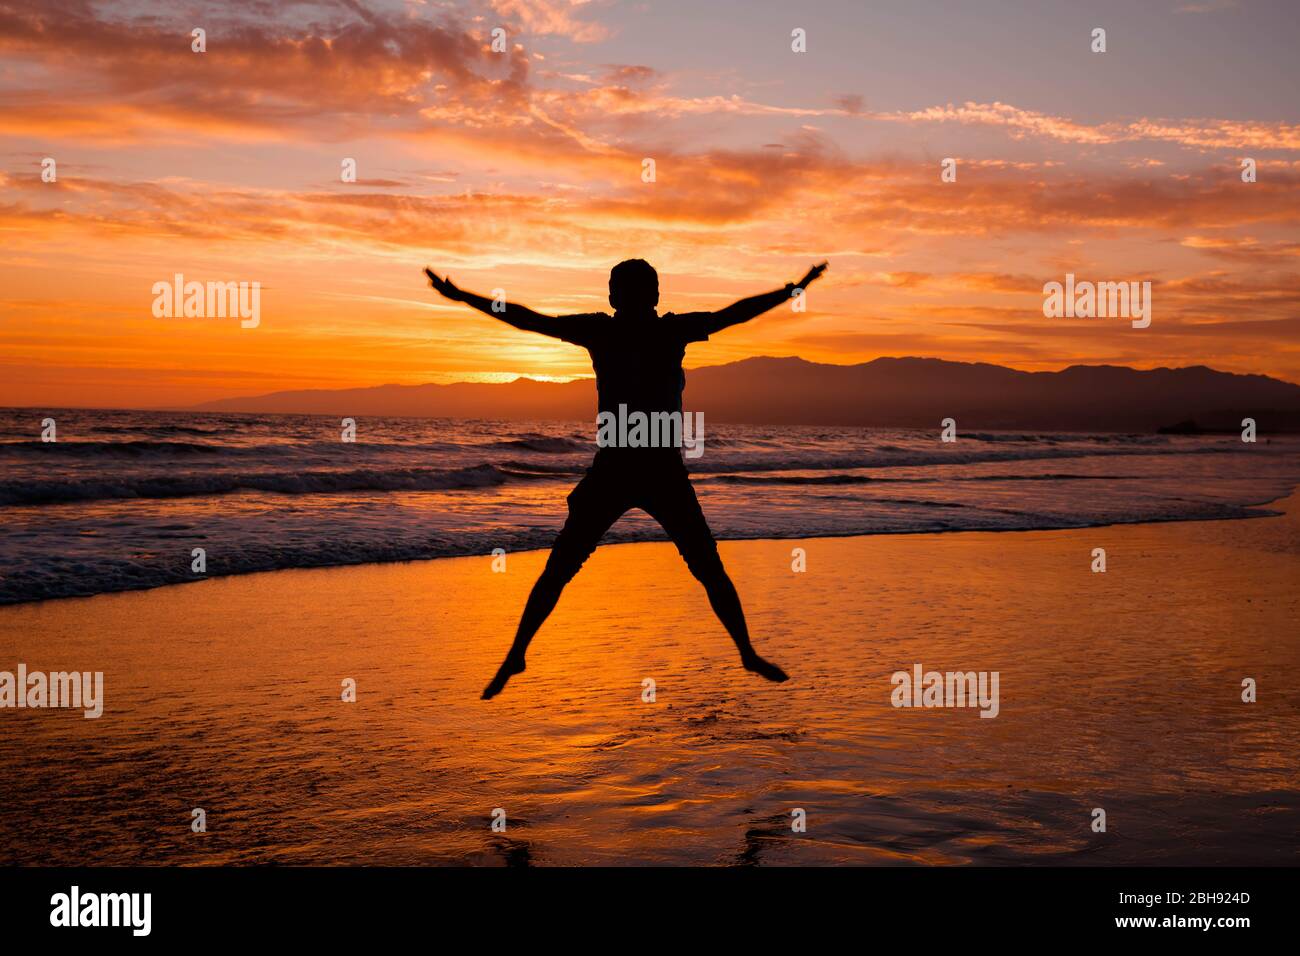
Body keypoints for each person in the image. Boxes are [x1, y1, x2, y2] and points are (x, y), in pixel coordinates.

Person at [425, 258, 828, 699]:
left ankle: (518, 652)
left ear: (618, 296)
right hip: (644, 470)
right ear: (651, 296)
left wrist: (463, 296)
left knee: (565, 568)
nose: (632, 298)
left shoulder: (608, 330)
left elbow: (526, 319)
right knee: (703, 568)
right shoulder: (667, 330)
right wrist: (794, 288)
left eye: (630, 290)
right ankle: (746, 652)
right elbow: (737, 313)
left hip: (629, 470)